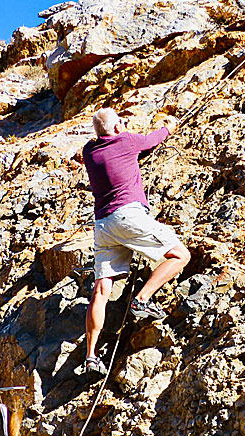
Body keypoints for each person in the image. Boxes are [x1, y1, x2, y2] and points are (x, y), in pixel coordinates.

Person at [81, 108, 191, 376]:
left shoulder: (89, 151)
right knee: (180, 255)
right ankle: (142, 299)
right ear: (118, 127)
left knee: (101, 290)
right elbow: (155, 138)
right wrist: (170, 126)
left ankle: (91, 356)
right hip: (127, 215)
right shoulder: (127, 140)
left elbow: (100, 142)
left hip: (103, 225)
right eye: (122, 121)